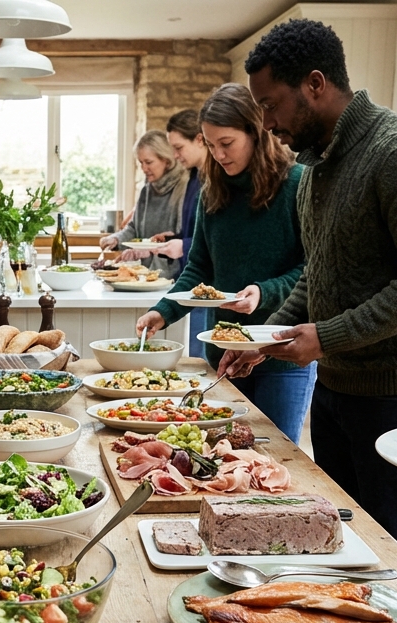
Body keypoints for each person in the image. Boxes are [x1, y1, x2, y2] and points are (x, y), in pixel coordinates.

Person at [225, 19, 397, 572]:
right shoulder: (315, 170)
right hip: (337, 385)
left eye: (272, 104)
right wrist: (264, 337)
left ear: (314, 83)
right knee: (343, 539)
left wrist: (326, 337)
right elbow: (319, 273)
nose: (266, 123)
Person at [134, 84, 315, 443]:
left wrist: (263, 293)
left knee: (275, 457)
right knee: (222, 457)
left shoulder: (297, 184)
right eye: (210, 144)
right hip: (223, 355)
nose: (218, 154)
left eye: (227, 143)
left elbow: (312, 269)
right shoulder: (211, 192)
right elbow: (198, 269)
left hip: (282, 355)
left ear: (257, 131)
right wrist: (162, 311)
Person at [99, 130, 189, 276]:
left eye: (148, 162)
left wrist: (148, 250)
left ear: (166, 160)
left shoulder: (184, 187)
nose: (144, 169)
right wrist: (116, 239)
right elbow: (134, 228)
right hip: (146, 275)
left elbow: (182, 238)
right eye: (141, 163)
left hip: (174, 275)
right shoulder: (146, 190)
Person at [164, 108, 211, 357]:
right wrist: (175, 239)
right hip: (194, 283)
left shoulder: (215, 179)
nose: (175, 155)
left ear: (200, 140)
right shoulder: (194, 177)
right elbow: (197, 230)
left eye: (179, 147)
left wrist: (184, 245)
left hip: (208, 286)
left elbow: (214, 241)